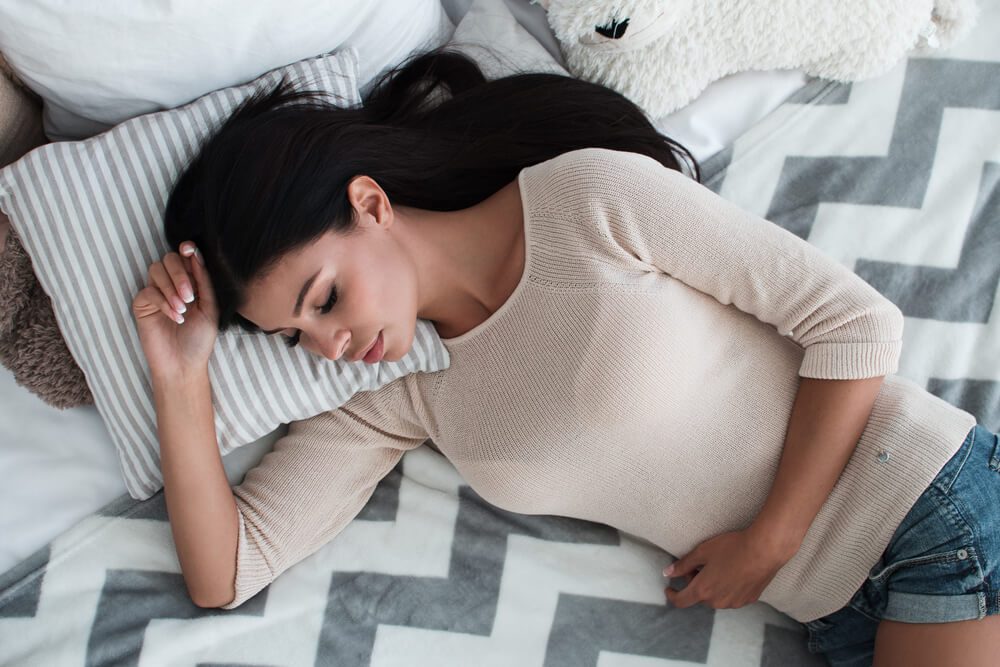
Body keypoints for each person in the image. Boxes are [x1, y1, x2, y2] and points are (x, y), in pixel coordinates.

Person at [131, 46, 999, 666]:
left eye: (323, 300)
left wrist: (768, 543)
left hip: (924, 511)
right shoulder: (399, 394)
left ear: (369, 202)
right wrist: (181, 377)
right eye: (295, 337)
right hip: (835, 615)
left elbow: (854, 325)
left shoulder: (586, 199)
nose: (327, 348)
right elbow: (227, 572)